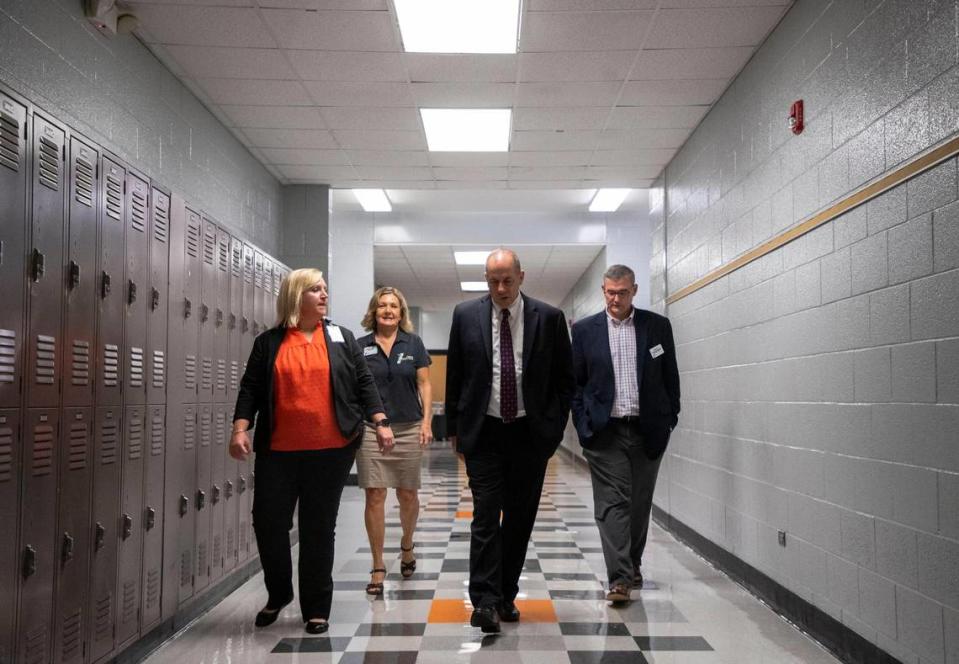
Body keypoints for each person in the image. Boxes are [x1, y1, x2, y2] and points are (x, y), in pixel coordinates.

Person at [229, 268, 394, 634]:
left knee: (319, 528)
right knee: (269, 523)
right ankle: (279, 593)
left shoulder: (341, 338)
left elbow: (363, 383)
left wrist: (380, 421)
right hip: (279, 451)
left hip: (331, 450)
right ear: (295, 296)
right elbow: (250, 388)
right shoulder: (269, 342)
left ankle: (317, 608)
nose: (324, 295)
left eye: (325, 290)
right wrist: (240, 427)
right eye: (315, 290)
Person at [446, 248, 574, 633]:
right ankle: (483, 601)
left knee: (519, 519)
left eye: (507, 280)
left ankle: (505, 594)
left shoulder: (549, 319)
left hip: (528, 434)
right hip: (484, 432)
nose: (500, 288)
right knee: (485, 515)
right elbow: (456, 373)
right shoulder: (465, 315)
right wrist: (455, 429)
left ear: (522, 276)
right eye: (493, 281)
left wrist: (551, 431)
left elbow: (565, 382)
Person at [570, 264, 680, 603]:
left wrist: (670, 416)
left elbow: (670, 377)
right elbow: (576, 383)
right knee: (612, 502)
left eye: (622, 292)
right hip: (605, 432)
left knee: (638, 505)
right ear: (603, 291)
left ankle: (631, 565)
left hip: (647, 430)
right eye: (610, 292)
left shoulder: (657, 327)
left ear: (633, 291)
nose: (615, 298)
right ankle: (619, 578)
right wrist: (582, 422)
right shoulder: (586, 331)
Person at [355, 286, 433, 595]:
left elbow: (424, 385)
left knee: (407, 495)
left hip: (408, 426)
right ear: (373, 311)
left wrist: (426, 423)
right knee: (374, 495)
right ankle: (377, 564)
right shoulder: (359, 346)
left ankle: (407, 544)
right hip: (372, 429)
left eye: (394, 306)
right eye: (382, 306)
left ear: (402, 313)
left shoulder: (413, 344)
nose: (388, 310)